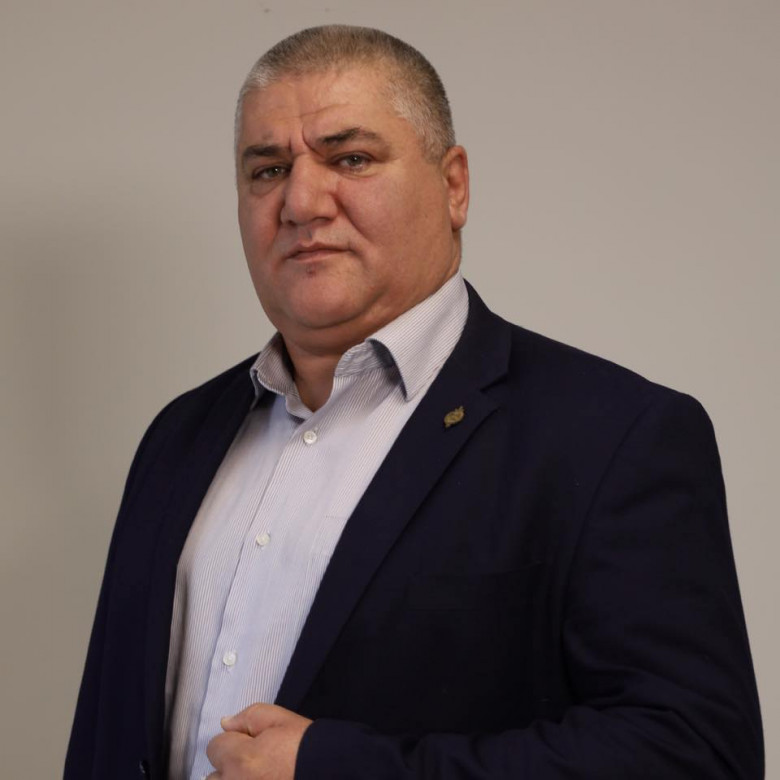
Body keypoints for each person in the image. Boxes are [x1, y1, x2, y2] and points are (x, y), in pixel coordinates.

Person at [65, 25, 763, 780]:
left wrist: (336, 768)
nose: (300, 201)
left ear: (453, 186)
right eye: (268, 170)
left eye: (351, 159)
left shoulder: (614, 438)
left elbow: (694, 755)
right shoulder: (179, 436)